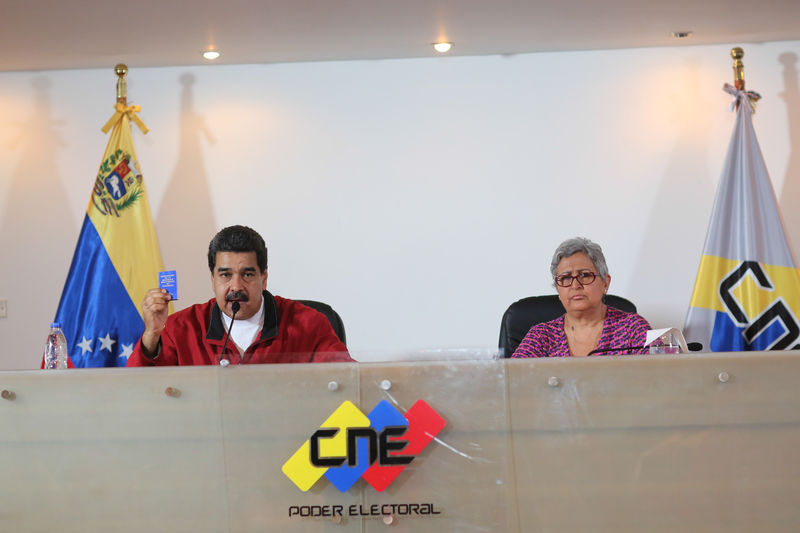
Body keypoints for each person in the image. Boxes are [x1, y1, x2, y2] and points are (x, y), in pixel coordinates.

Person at [127, 225, 352, 366]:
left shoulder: (309, 324)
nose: (236, 286)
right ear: (212, 279)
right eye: (225, 275)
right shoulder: (180, 329)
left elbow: (349, 386)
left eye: (247, 274)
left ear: (263, 278)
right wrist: (151, 336)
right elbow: (142, 398)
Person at [512, 237, 651, 358]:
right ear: (558, 288)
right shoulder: (541, 336)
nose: (575, 285)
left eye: (585, 275)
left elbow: (660, 379)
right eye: (565, 278)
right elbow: (511, 381)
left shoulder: (633, 328)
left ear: (605, 282)